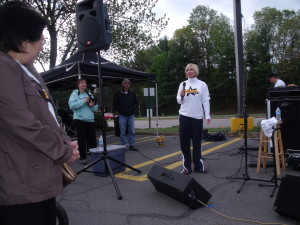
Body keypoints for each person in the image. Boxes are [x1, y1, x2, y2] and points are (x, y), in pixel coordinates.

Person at [0, 2, 80, 225]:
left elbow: (47, 115)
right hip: (22, 186)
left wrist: (65, 142)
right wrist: (63, 150)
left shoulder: (26, 69)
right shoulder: (4, 69)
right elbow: (23, 125)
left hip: (36, 180)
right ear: (24, 42)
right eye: (41, 38)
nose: (43, 45)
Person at [176, 63, 211, 175]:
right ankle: (186, 167)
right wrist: (181, 96)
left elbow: (206, 100)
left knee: (197, 143)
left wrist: (208, 115)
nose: (189, 71)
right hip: (184, 116)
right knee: (184, 143)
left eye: (191, 70)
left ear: (195, 71)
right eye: (187, 70)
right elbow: (179, 101)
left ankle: (198, 166)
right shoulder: (183, 84)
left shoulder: (202, 85)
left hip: (197, 117)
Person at [68, 78, 98, 165]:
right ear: (78, 85)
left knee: (92, 139)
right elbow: (72, 106)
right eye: (82, 83)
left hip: (89, 119)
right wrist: (83, 101)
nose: (84, 84)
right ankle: (83, 157)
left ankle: (93, 155)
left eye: (85, 83)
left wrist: (93, 105)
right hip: (79, 119)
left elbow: (94, 109)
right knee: (81, 139)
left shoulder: (89, 94)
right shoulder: (74, 94)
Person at [113, 78, 139, 151]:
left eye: (128, 83)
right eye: (125, 83)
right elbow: (115, 103)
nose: (127, 84)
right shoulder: (118, 93)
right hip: (122, 115)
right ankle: (123, 145)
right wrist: (120, 109)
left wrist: (133, 109)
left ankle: (132, 145)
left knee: (131, 131)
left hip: (131, 115)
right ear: (122, 84)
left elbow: (136, 103)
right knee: (122, 131)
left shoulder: (132, 93)